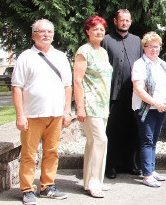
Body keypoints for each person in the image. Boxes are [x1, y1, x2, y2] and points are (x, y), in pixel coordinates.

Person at [11, 19, 72, 205]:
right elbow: (16, 87)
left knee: (52, 152)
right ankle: (27, 189)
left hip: (55, 114)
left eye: (49, 32)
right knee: (29, 154)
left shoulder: (61, 57)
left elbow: (67, 86)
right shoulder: (25, 57)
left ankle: (47, 186)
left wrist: (67, 110)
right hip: (32, 115)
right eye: (41, 31)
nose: (46, 35)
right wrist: (20, 115)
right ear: (33, 35)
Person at [74, 15, 113, 198]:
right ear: (87, 31)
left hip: (102, 104)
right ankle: (94, 183)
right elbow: (77, 81)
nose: (99, 32)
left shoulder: (103, 51)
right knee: (100, 140)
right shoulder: (84, 51)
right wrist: (80, 107)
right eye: (95, 28)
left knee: (93, 143)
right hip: (90, 104)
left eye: (102, 29)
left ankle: (91, 180)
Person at [101, 9, 143, 179]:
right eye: (121, 20)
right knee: (113, 132)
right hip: (114, 95)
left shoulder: (137, 41)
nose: (124, 23)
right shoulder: (106, 41)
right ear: (115, 21)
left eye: (127, 20)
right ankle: (111, 165)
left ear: (130, 22)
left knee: (132, 131)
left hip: (134, 94)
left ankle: (130, 163)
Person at [132, 32, 166, 188]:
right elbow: (138, 89)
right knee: (147, 140)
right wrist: (156, 103)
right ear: (144, 47)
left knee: (154, 139)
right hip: (145, 109)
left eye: (157, 47)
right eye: (150, 47)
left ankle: (151, 169)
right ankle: (147, 175)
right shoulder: (139, 64)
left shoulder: (162, 64)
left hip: (160, 108)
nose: (154, 50)